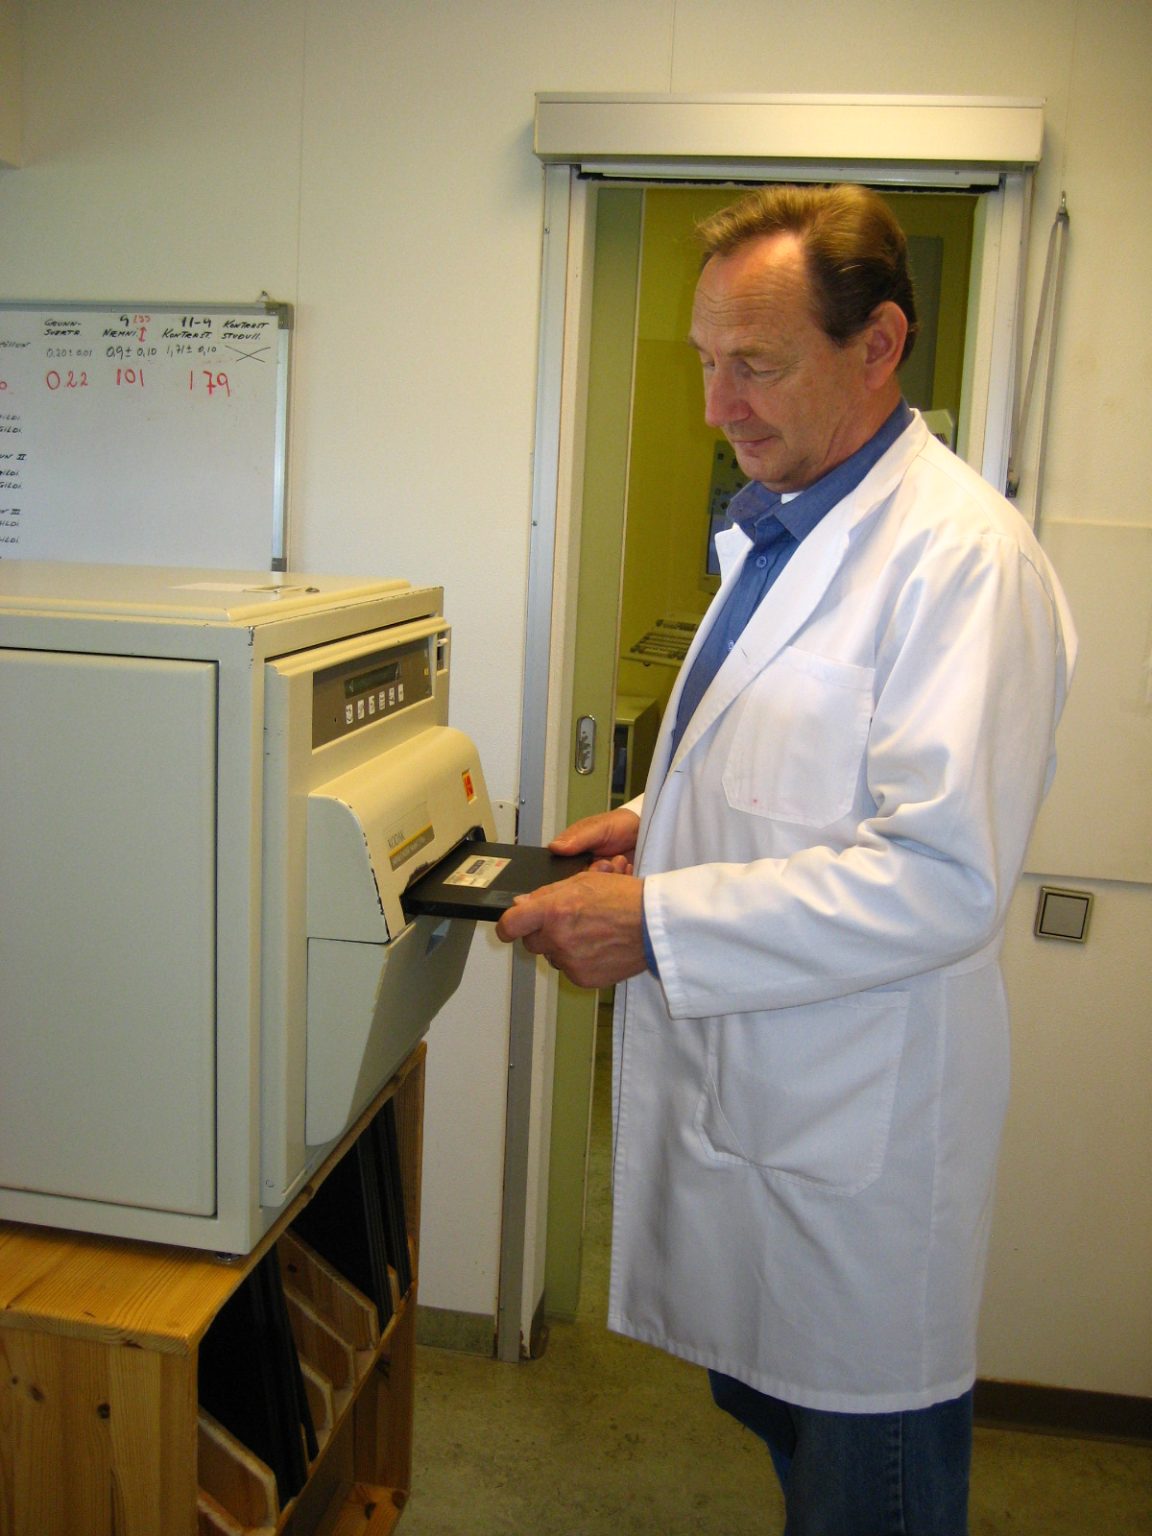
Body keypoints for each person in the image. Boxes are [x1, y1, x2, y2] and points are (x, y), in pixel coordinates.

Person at [496, 184, 1076, 1535]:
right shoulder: (787, 521)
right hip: (771, 1108)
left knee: (868, 1492)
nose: (718, 406)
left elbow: (941, 876)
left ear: (879, 345)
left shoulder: (960, 561)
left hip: (858, 1157)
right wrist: (655, 817)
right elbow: (797, 755)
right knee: (788, 1437)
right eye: (707, 362)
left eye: (753, 364)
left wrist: (655, 923)